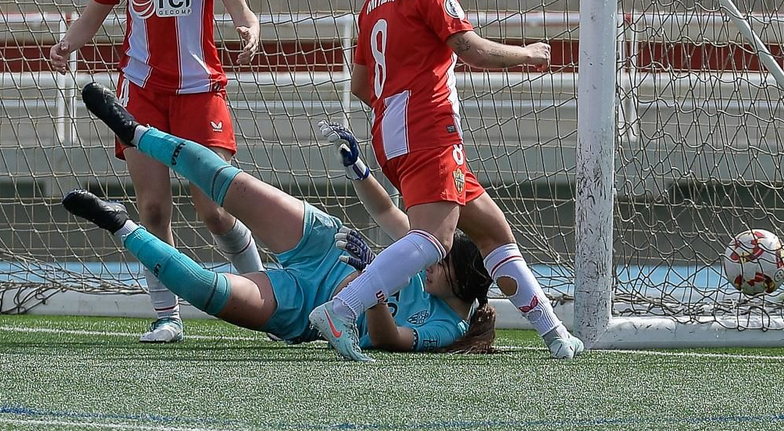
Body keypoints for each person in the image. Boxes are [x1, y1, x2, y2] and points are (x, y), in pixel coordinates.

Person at [307, 0, 582, 361]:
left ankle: (555, 335)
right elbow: (468, 48)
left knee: (494, 233)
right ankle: (341, 309)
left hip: (391, 131)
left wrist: (397, 110)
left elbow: (360, 83)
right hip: (428, 128)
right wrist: (528, 54)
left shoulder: (374, 1)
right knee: (436, 240)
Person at [66, 82, 496, 356]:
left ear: (464, 278)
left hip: (305, 304)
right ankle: (136, 132)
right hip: (324, 244)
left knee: (206, 289)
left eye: (441, 264)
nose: (431, 264)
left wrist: (374, 284)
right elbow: (386, 211)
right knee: (231, 184)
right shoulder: (426, 250)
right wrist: (358, 169)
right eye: (436, 258)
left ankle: (119, 225)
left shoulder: (447, 326)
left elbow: (387, 341)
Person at [48, 0, 264, 344]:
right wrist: (67, 44)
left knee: (216, 212)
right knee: (152, 210)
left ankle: (263, 298)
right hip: (141, 91)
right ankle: (167, 314)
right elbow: (95, 12)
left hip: (199, 92)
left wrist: (248, 28)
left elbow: (240, 8)